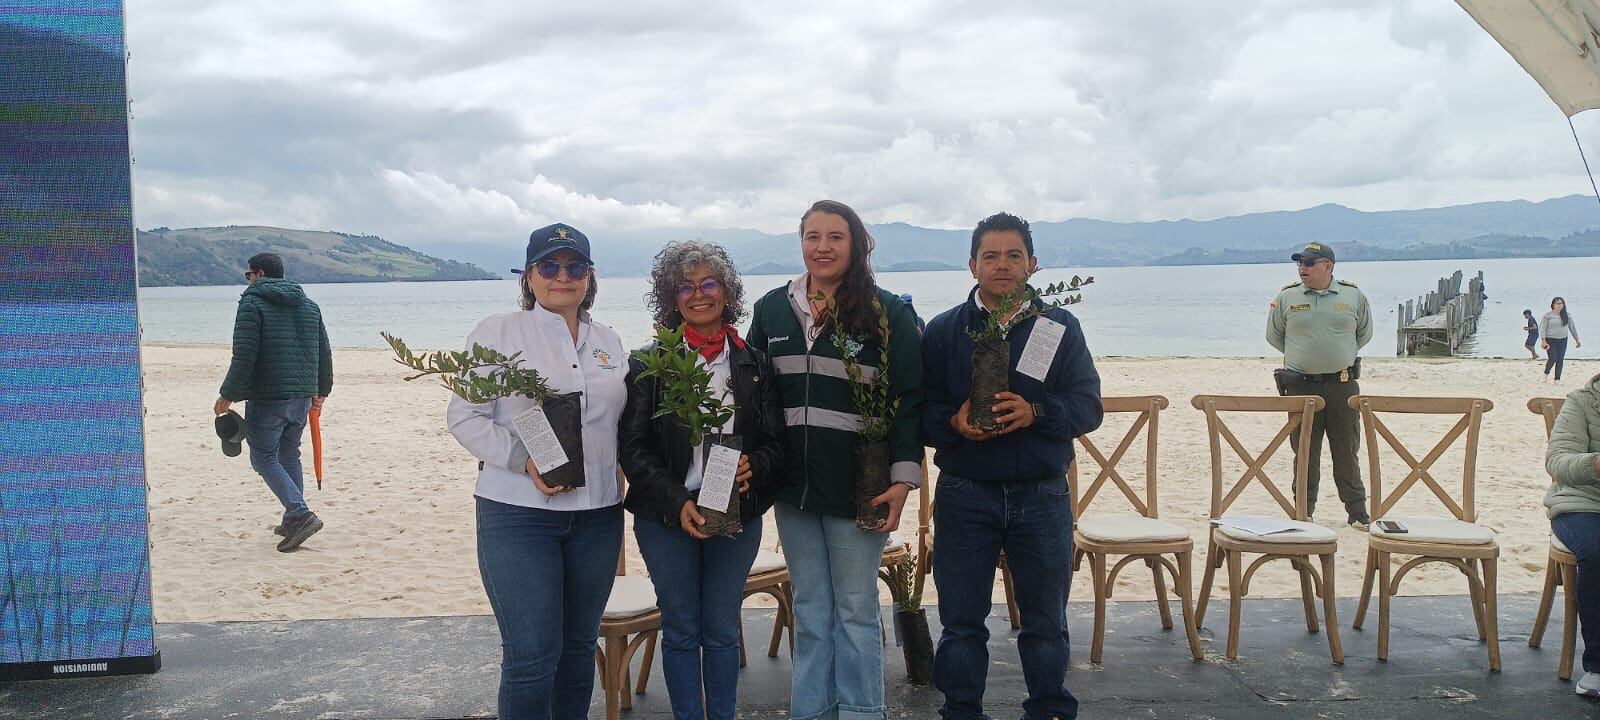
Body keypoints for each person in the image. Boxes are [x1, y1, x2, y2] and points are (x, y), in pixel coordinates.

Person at [746, 200, 924, 720]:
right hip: (793, 488)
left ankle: (864, 712)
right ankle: (812, 712)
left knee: (855, 609)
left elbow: (909, 399)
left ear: (857, 244)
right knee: (811, 609)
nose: (822, 247)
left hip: (859, 486)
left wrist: (902, 480)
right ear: (800, 242)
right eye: (812, 236)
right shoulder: (772, 310)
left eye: (835, 237)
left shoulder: (889, 312)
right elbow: (754, 398)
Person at [921, 212, 1103, 720]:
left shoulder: (1058, 326)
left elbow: (1089, 406)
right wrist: (954, 423)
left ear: (1033, 264)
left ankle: (1049, 709)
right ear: (972, 264)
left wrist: (1036, 412)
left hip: (1042, 495)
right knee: (960, 622)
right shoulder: (943, 332)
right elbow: (920, 413)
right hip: (964, 493)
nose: (1002, 265)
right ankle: (960, 711)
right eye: (991, 256)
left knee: (1046, 621)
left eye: (1014, 255)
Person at [447, 223, 628, 720]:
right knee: (532, 656)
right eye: (549, 266)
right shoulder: (497, 332)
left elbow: (623, 424)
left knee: (576, 651)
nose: (562, 277)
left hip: (597, 516)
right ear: (529, 277)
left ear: (590, 278)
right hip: (518, 516)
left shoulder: (608, 341)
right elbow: (464, 416)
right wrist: (520, 459)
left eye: (575, 267)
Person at [619, 240, 788, 720]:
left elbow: (779, 443)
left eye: (708, 283)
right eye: (685, 286)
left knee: (720, 627)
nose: (698, 294)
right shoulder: (649, 364)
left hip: (736, 510)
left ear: (726, 291)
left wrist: (758, 463)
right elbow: (631, 448)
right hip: (665, 517)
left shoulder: (754, 364)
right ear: (670, 298)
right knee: (681, 628)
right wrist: (677, 502)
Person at [214, 252, 332, 552]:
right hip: (303, 394)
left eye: (248, 274)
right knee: (289, 453)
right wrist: (322, 390)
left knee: (263, 457)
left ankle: (300, 514)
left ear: (260, 274)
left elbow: (245, 354)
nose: (248, 279)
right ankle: (293, 518)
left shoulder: (252, 303)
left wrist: (228, 394)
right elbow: (324, 350)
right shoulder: (308, 305)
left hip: (269, 395)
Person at [1266, 241, 1373, 529]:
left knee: (1347, 449)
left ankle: (1357, 512)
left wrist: (1334, 357)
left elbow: (1363, 334)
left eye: (1309, 263)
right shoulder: (1287, 297)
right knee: (1304, 451)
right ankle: (1304, 509)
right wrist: (1307, 359)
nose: (1302, 268)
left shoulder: (1353, 296)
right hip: (1301, 386)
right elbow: (1275, 336)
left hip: (1342, 385)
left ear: (1328, 266)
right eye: (1299, 263)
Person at [1544, 372, 1600, 698]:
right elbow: (1557, 461)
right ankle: (1597, 664)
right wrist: (1595, 464)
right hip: (1581, 504)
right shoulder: (1581, 402)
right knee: (1595, 552)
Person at [1543, 297, 1582, 383]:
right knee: (1553, 358)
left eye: (1561, 303)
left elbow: (1572, 328)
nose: (1560, 305)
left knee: (1560, 359)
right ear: (1553, 305)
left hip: (1563, 340)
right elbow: (1543, 329)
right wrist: (1543, 340)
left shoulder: (1567, 315)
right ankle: (1546, 373)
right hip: (1550, 340)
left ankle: (1557, 379)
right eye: (1558, 303)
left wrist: (1577, 339)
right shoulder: (1548, 315)